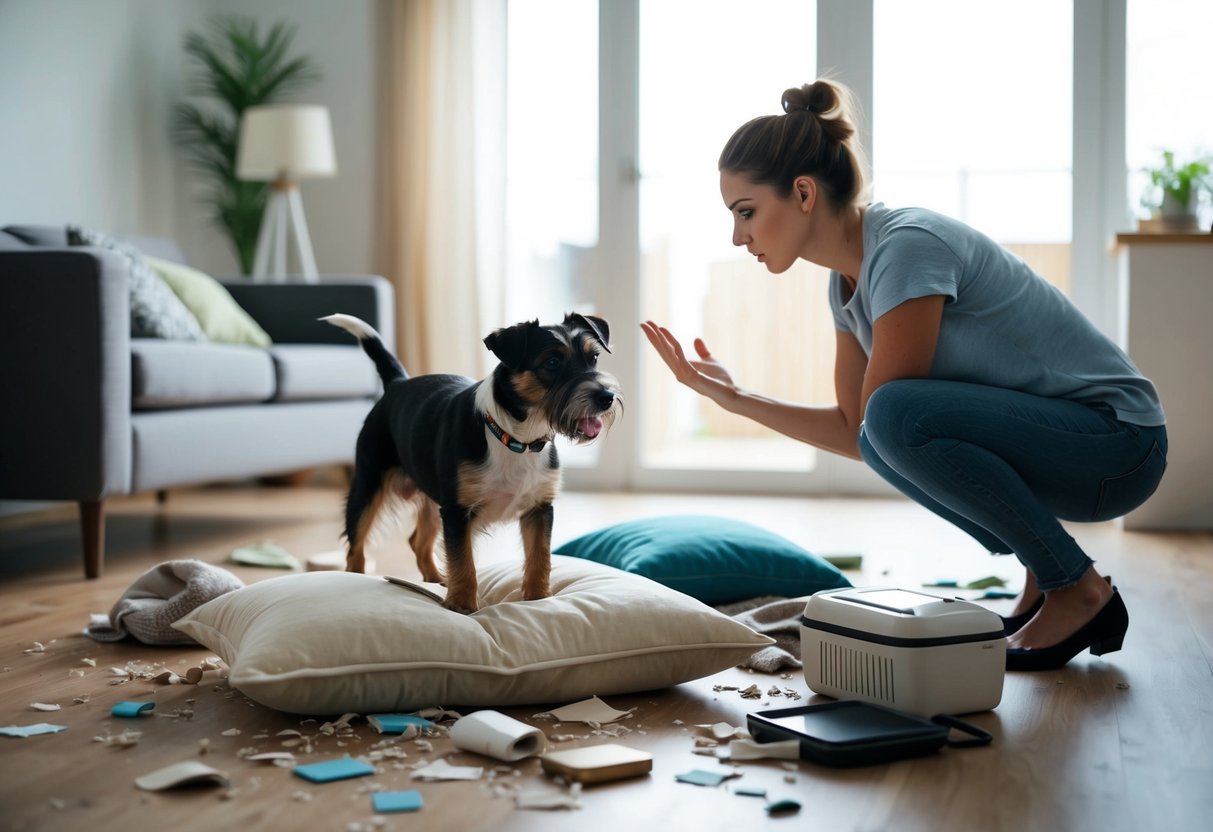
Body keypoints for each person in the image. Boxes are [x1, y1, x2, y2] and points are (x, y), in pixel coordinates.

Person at [641, 78, 1167, 672]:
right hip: (1070, 448)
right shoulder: (844, 285)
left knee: (893, 412)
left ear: (804, 192)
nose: (738, 236)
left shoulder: (906, 246)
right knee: (886, 423)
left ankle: (1077, 586)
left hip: (1119, 445)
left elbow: (885, 419)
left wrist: (860, 422)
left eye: (746, 212)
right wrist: (733, 398)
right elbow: (858, 435)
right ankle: (1043, 582)